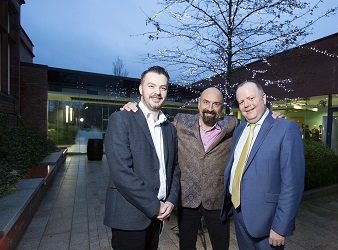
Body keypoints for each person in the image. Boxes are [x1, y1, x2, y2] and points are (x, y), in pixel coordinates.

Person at [122, 87, 284, 249]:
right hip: (187, 200)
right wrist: (136, 108)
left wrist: (272, 115)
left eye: (216, 104)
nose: (210, 108)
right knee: (186, 246)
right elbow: (155, 127)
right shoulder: (180, 122)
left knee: (221, 246)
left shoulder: (232, 125)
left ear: (221, 107)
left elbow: (257, 124)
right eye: (206, 102)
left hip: (217, 201)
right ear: (199, 103)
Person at [220, 81, 305, 249]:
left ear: (264, 98)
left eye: (251, 98)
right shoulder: (239, 130)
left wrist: (281, 227)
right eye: (241, 101)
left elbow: (292, 184)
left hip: (268, 223)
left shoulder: (286, 128)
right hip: (239, 215)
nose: (246, 105)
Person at [103, 66, 180, 250]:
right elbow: (121, 172)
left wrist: (171, 200)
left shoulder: (169, 128)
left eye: (163, 88)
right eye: (151, 86)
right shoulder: (121, 119)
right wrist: (155, 206)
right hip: (129, 216)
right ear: (141, 89)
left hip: (157, 217)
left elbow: (174, 168)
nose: (157, 92)